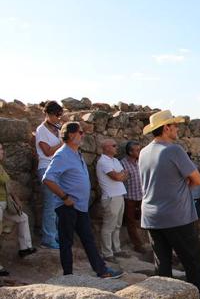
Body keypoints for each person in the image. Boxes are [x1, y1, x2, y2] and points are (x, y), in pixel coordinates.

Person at [139, 111, 200, 299]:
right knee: (193, 265)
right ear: (166, 128)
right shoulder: (174, 150)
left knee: (162, 267)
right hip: (177, 216)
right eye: (175, 126)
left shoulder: (143, 152)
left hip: (151, 216)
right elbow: (196, 179)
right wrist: (180, 188)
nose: (177, 129)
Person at [42, 122, 122, 279]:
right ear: (71, 135)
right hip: (67, 207)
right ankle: (68, 276)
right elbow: (48, 178)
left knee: (88, 239)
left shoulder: (75, 153)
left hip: (79, 206)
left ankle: (102, 271)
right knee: (66, 242)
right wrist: (64, 197)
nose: (83, 135)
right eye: (80, 132)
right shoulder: (62, 154)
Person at [0, 143, 37, 276]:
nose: (2, 152)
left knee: (23, 218)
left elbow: (8, 185)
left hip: (5, 203)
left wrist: (16, 199)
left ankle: (25, 248)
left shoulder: (1, 167)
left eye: (2, 149)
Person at [35, 100, 64, 249]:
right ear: (48, 114)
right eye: (56, 115)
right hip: (46, 169)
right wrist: (63, 143)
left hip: (58, 169)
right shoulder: (41, 130)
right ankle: (48, 238)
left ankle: (56, 235)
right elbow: (47, 151)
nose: (59, 118)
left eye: (60, 115)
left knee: (58, 205)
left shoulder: (56, 128)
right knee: (50, 205)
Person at [96, 139, 129, 262]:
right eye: (114, 146)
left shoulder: (114, 160)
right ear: (106, 148)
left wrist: (121, 175)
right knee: (109, 226)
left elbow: (125, 175)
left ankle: (117, 249)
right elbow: (116, 176)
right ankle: (107, 253)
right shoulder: (103, 161)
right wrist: (120, 175)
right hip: (111, 196)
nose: (116, 147)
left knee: (117, 225)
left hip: (119, 195)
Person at [120, 141, 146, 253]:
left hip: (142, 196)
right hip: (129, 197)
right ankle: (138, 245)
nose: (139, 152)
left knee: (144, 219)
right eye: (137, 150)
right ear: (130, 152)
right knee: (130, 221)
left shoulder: (140, 162)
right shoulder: (122, 163)